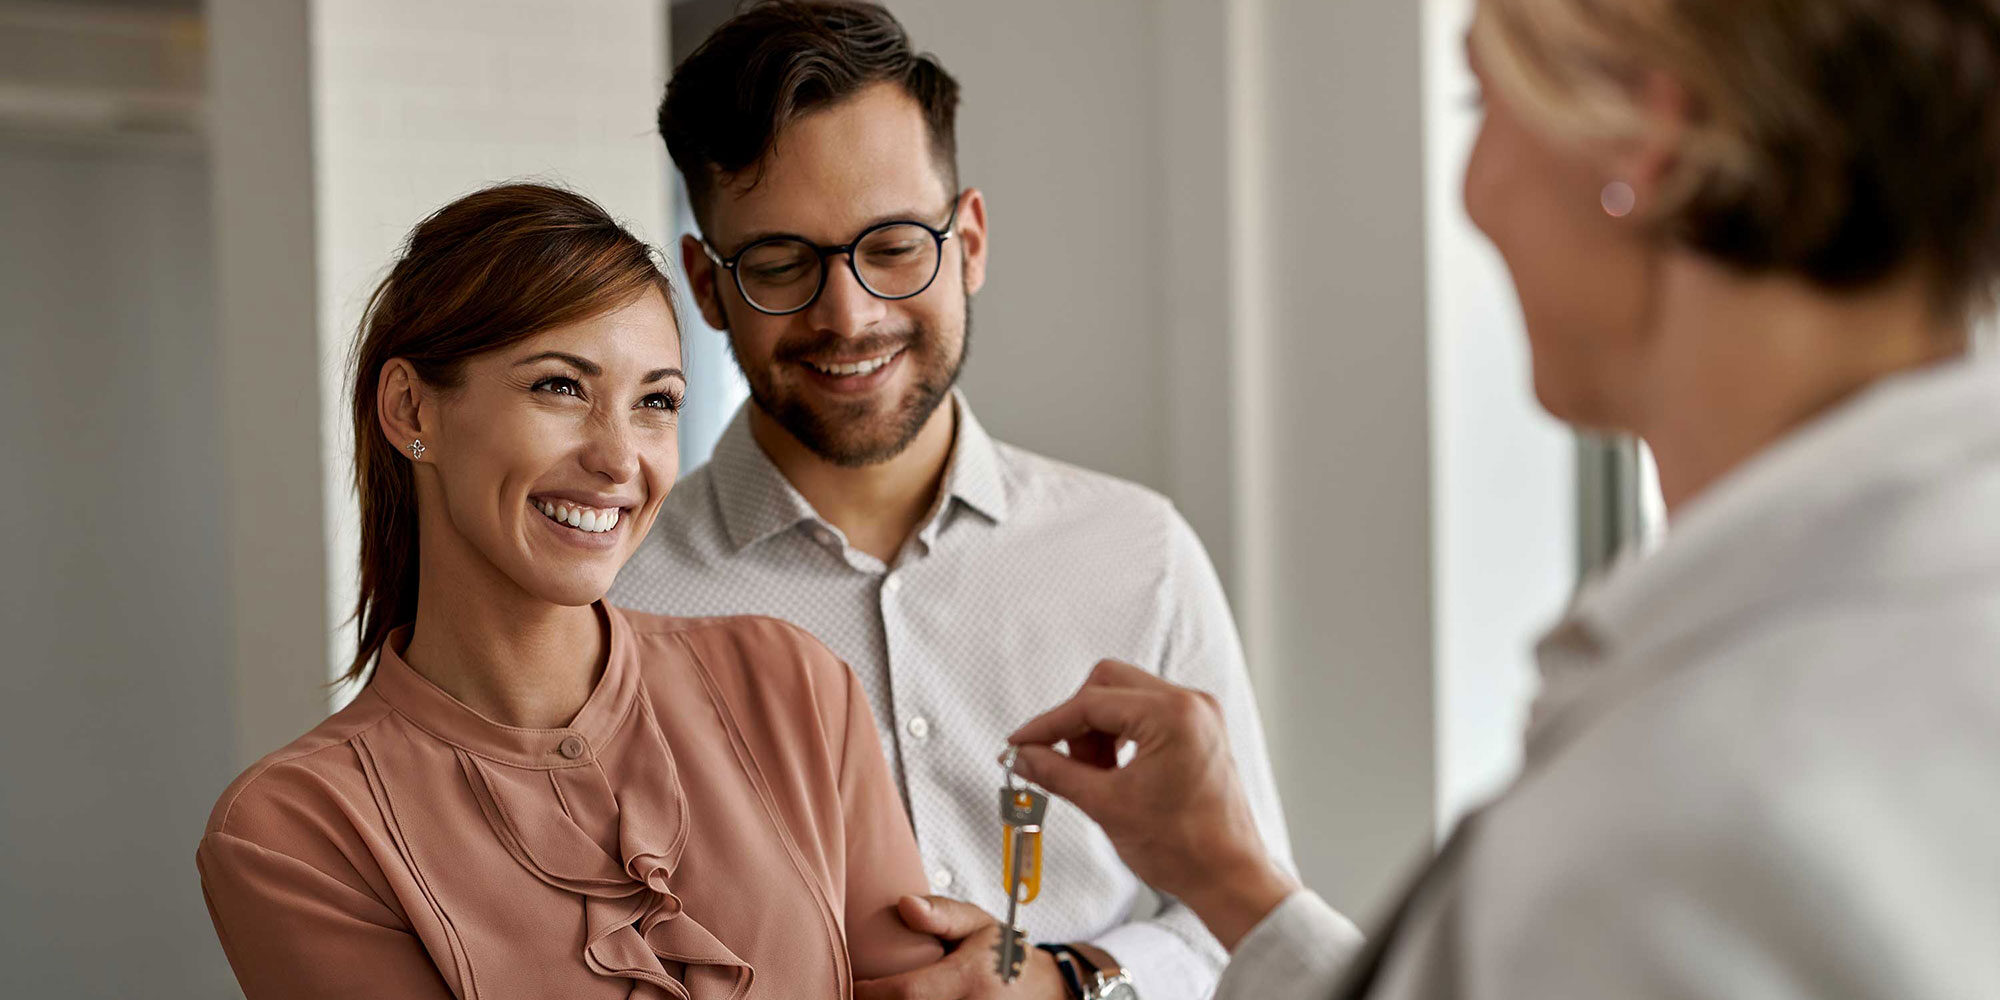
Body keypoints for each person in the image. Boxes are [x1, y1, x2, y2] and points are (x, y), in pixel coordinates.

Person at [1008, 1, 2000, 997]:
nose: (1472, 191)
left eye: (1481, 98)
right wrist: (1227, 879)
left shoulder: (1703, 804)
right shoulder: (1897, 636)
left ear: (1642, 140)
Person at [608, 3, 1333, 998]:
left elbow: (1248, 931)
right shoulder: (614, 600)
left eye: (894, 245)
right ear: (705, 283)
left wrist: (1067, 982)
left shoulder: (1138, 554)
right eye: (780, 263)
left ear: (971, 240)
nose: (847, 315)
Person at [195, 183, 944, 999]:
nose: (620, 460)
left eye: (656, 402)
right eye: (560, 387)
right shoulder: (298, 833)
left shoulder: (792, 685)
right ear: (411, 407)